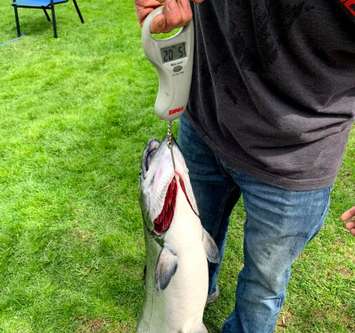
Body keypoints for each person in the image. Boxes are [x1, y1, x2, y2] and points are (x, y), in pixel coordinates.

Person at [135, 1, 355, 332]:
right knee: (191, 239)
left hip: (297, 155)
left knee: (262, 287)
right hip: (206, 114)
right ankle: (194, 297)